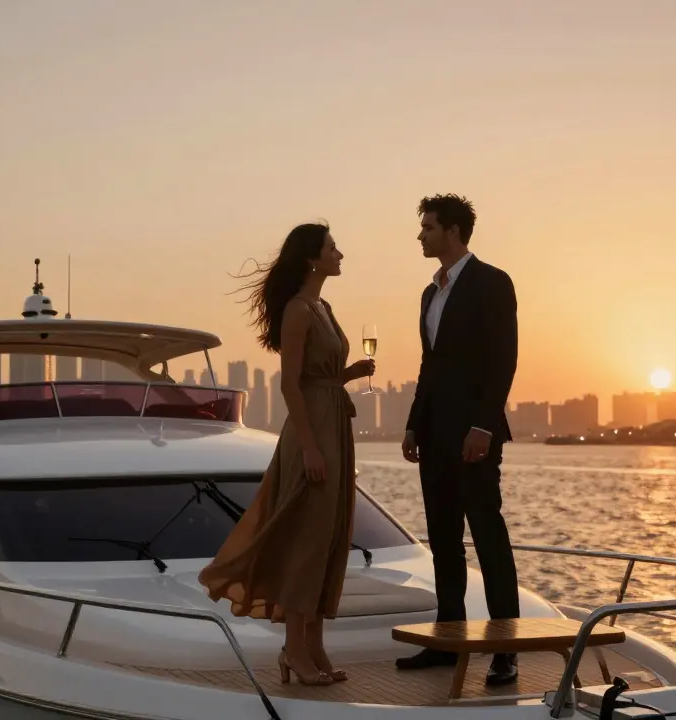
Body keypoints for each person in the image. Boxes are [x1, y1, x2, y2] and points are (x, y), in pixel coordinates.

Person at [198, 221, 376, 687]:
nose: (341, 254)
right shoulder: (298, 310)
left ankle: (313, 646)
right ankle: (295, 649)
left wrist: (349, 374)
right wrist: (311, 446)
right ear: (311, 259)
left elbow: (320, 377)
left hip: (334, 421)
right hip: (312, 430)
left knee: (333, 534)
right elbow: (289, 383)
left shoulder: (324, 306)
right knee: (308, 537)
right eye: (333, 248)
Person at [396, 194, 521, 685]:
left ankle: (505, 648)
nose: (421, 235)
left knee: (487, 535)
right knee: (444, 541)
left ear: (452, 231)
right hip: (433, 433)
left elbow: (503, 359)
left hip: (474, 433)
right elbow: (430, 365)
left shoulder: (492, 282)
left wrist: (484, 426)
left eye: (427, 227)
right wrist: (411, 423)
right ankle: (449, 643)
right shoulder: (430, 294)